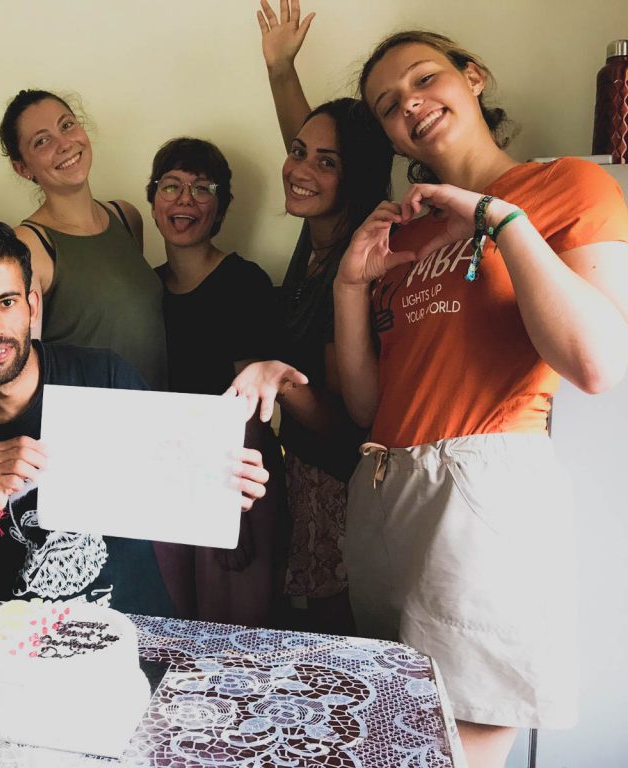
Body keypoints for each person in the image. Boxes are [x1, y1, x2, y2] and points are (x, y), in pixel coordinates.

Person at [334, 31, 628, 767]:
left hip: (482, 494)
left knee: (459, 757)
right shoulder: (406, 232)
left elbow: (597, 363)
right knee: (386, 745)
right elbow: (370, 408)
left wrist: (500, 220)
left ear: (474, 77)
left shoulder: (569, 185)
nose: (410, 104)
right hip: (383, 489)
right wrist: (349, 286)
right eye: (388, 104)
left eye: (425, 78)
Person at [0, 217, 270, 620]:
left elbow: (170, 479)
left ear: (32, 305)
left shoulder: (104, 377)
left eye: (6, 302)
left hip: (133, 639)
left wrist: (219, 487)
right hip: (13, 653)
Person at [228, 0, 393, 634]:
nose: (298, 170)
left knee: (337, 648)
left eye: (326, 163)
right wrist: (279, 72)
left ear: (355, 178)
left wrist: (273, 375)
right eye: (297, 152)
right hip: (303, 474)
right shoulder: (318, 227)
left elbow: (339, 418)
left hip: (340, 484)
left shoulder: (354, 256)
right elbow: (317, 152)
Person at [148, 136, 287, 627]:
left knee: (235, 634)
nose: (185, 200)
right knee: (170, 625)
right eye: (171, 186)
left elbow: (247, 403)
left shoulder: (243, 282)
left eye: (202, 188)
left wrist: (236, 508)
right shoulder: (144, 288)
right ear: (152, 200)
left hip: (234, 472)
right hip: (164, 473)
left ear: (222, 206)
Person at [0, 89, 167, 390]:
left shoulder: (126, 217)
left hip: (158, 420)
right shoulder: (28, 246)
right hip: (87, 430)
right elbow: (23, 369)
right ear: (22, 168)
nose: (64, 144)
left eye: (66, 125)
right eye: (42, 141)